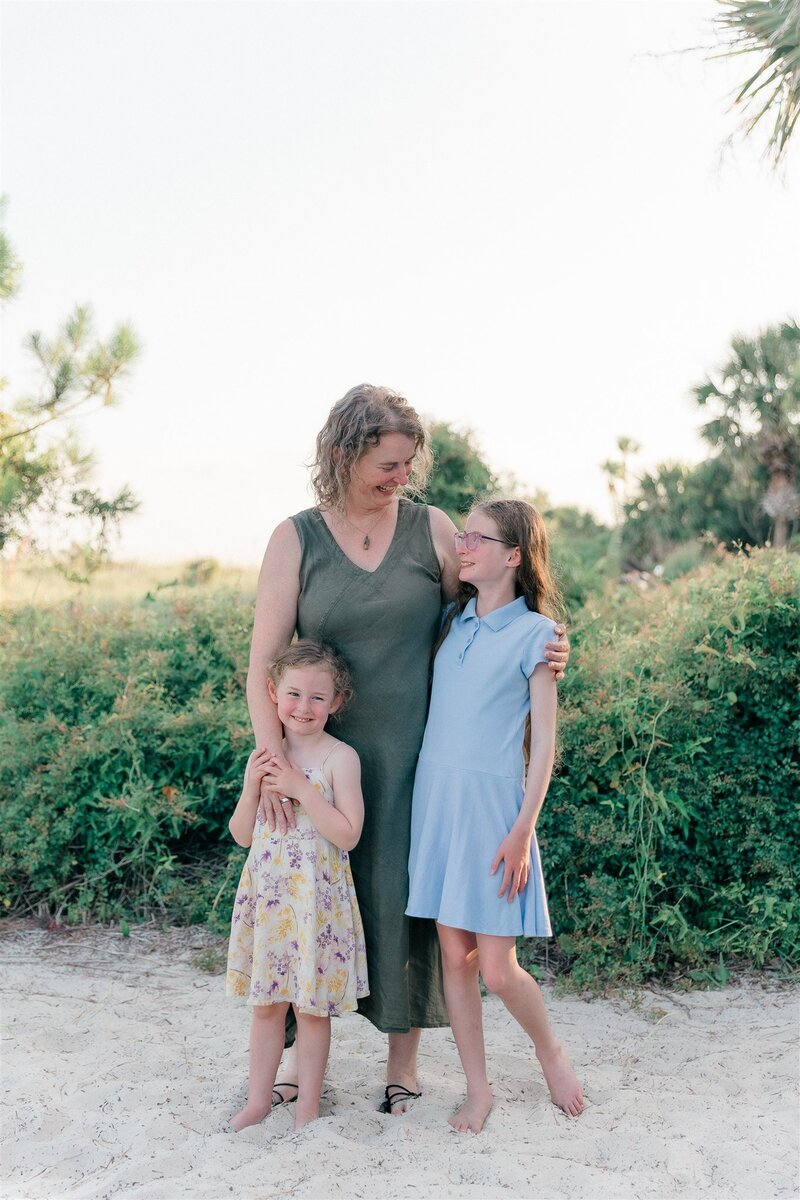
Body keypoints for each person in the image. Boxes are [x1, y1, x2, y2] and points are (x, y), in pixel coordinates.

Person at [247, 384, 570, 1114]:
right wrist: (275, 768)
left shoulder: (431, 529)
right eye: (388, 464)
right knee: (309, 901)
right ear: (342, 454)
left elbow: (493, 610)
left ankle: (405, 1065)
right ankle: (301, 1061)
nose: (402, 477)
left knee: (402, 905)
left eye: (407, 465)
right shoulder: (295, 537)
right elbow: (262, 665)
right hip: (317, 760)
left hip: (416, 762)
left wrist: (548, 647)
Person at [406, 499, 584, 1133]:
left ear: (513, 555)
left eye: (477, 538)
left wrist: (522, 829)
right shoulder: (452, 624)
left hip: (494, 811)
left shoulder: (538, 634)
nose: (464, 544)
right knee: (455, 959)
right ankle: (477, 1090)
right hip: (438, 803)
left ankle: (550, 1051)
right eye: (463, 534)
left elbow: (544, 745)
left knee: (499, 966)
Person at [226, 640, 368, 1132]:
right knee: (266, 1006)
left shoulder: (339, 758)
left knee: (311, 1010)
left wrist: (302, 789)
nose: (303, 707)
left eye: (317, 697)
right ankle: (258, 1100)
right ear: (273, 694)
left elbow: (349, 833)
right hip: (269, 900)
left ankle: (308, 1104)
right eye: (293, 694)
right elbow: (242, 834)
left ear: (336, 702)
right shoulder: (264, 756)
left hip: (315, 905)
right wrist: (254, 786)